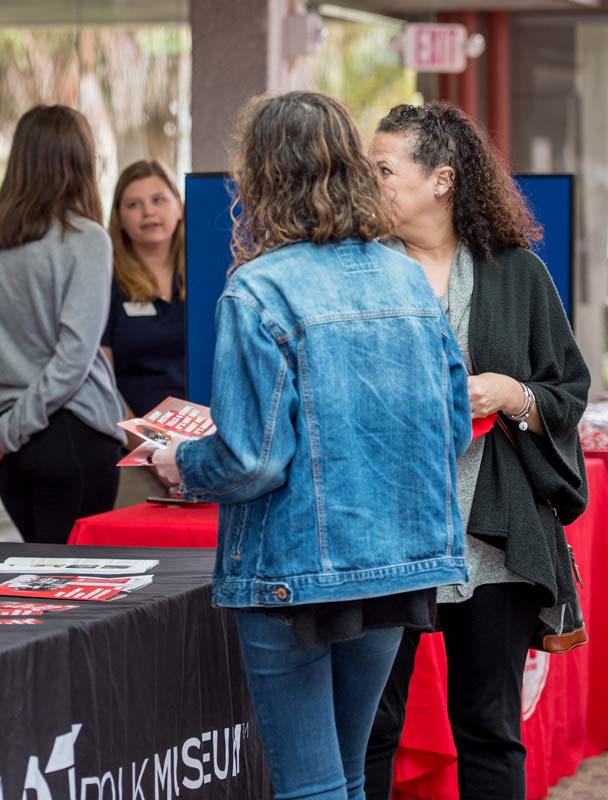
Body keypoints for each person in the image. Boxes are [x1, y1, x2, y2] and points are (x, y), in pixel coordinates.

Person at [151, 91, 472, 800]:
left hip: (292, 570)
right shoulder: (408, 280)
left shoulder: (258, 290)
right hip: (397, 560)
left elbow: (251, 458)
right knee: (350, 777)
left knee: (312, 787)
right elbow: (451, 428)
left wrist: (180, 464)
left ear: (262, 177)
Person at [364, 102, 589, 800]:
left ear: (442, 179)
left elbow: (567, 390)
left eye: (384, 169)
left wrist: (510, 392)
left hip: (490, 537)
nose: (370, 183)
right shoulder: (359, 272)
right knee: (372, 726)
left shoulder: (516, 274)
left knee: (488, 728)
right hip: (381, 532)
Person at [0, 104, 125, 544]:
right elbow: (75, 357)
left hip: (10, 448)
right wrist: (3, 430)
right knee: (73, 591)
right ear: (80, 162)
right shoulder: (86, 239)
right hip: (70, 430)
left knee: (40, 583)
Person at [100, 160, 186, 506]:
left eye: (158, 200)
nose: (148, 212)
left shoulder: (206, 273)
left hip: (207, 449)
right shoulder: (108, 282)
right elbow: (101, 381)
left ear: (179, 206)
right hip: (133, 453)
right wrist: (154, 448)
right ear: (119, 218)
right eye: (134, 204)